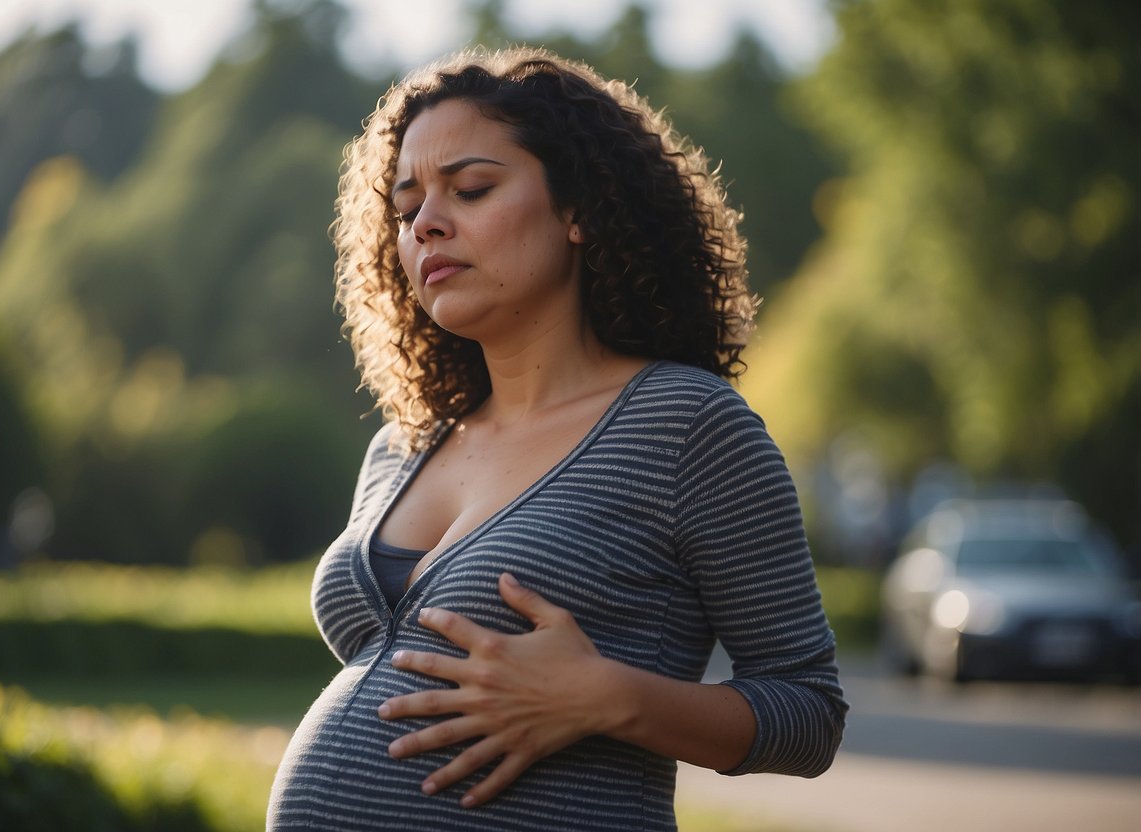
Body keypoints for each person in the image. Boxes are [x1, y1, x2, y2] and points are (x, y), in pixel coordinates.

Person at [267, 46, 847, 831]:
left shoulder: (685, 426)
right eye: (406, 211)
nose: (427, 224)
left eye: (471, 188)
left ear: (577, 210)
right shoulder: (403, 448)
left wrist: (607, 697)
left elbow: (807, 712)